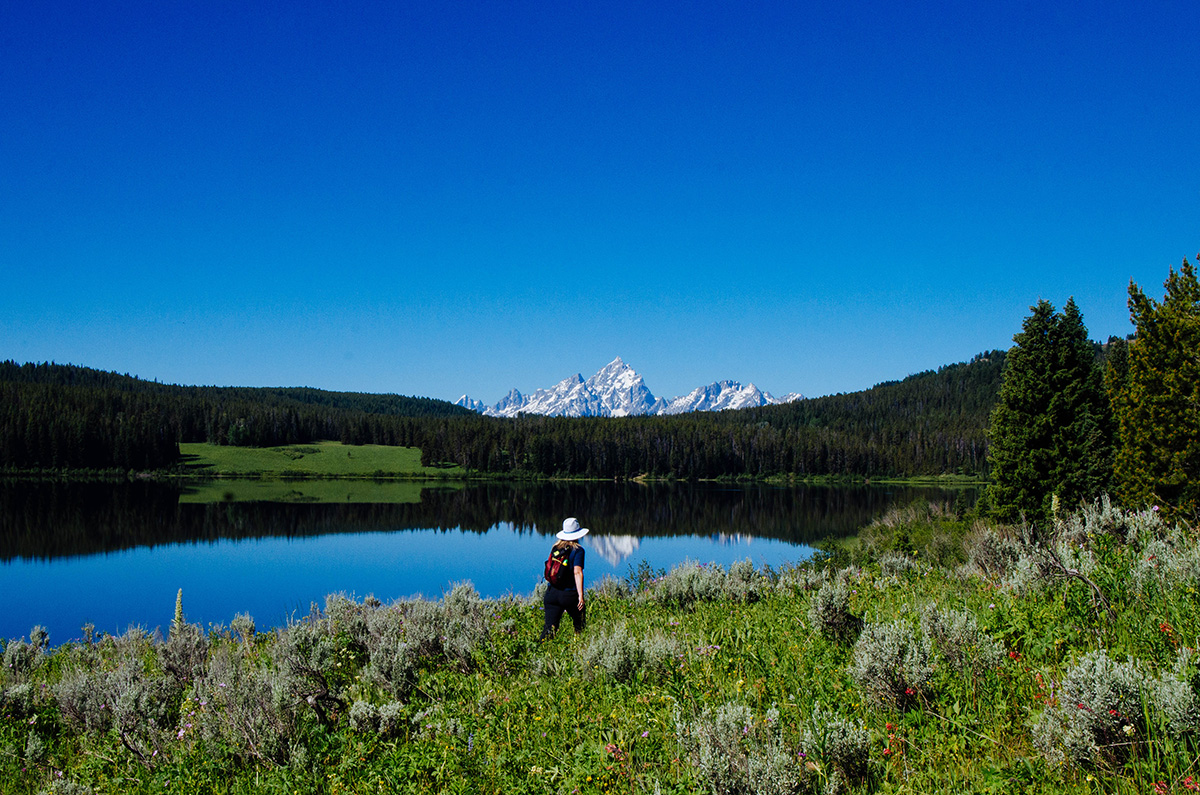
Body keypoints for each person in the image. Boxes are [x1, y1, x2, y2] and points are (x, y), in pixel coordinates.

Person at [540, 517, 588, 640]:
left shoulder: (555, 548)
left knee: (549, 628)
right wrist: (580, 596)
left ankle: (540, 650)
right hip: (569, 594)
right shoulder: (578, 550)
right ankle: (579, 646)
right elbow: (578, 573)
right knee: (580, 624)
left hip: (552, 593)